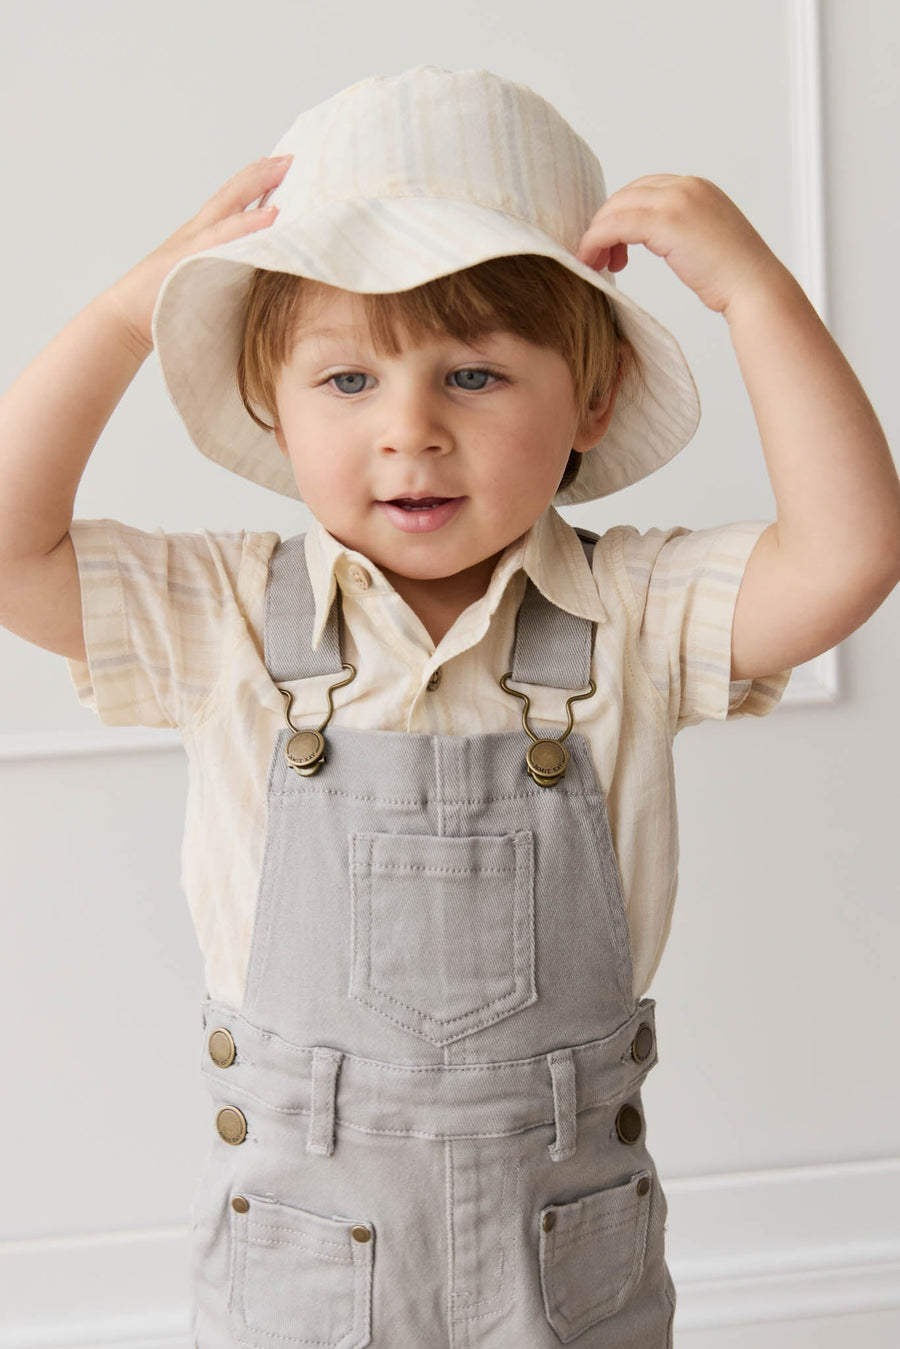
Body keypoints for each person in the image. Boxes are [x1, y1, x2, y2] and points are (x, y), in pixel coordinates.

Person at [0, 64, 897, 1349]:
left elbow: (850, 552)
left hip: (564, 1255)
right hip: (304, 1263)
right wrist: (128, 313)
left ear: (589, 402)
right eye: (347, 381)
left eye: (473, 375)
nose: (409, 431)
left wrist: (757, 295)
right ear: (271, 402)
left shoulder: (632, 609)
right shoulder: (228, 614)